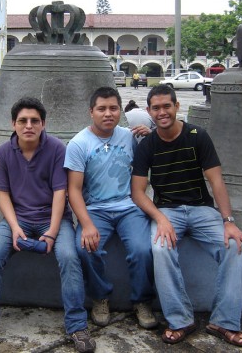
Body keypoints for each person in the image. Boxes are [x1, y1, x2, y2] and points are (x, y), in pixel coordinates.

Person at [0, 97, 96, 353]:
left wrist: (52, 232)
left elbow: (61, 192)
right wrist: (14, 227)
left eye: (35, 121)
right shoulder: (2, 152)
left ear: (43, 124)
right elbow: (2, 193)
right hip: (19, 218)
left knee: (69, 256)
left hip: (53, 218)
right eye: (22, 120)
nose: (29, 125)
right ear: (13, 124)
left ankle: (76, 326)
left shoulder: (57, 148)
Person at [131, 84, 242, 347]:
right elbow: (138, 192)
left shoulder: (198, 135)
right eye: (156, 108)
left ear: (176, 107)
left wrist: (229, 222)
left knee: (234, 246)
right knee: (160, 250)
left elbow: (216, 181)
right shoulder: (147, 145)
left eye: (166, 106)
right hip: (167, 212)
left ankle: (224, 321)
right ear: (149, 111)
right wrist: (160, 218)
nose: (162, 112)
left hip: (202, 210)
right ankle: (180, 318)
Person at [64, 86, 157, 330]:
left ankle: (142, 300)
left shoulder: (130, 136)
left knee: (143, 249)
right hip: (95, 210)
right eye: (101, 109)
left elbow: (147, 164)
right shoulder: (78, 143)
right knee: (85, 248)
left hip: (129, 207)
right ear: (91, 112)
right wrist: (85, 224)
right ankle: (100, 296)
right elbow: (73, 189)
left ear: (120, 111)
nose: (108, 114)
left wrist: (151, 136)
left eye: (113, 108)